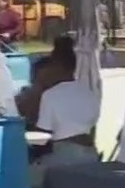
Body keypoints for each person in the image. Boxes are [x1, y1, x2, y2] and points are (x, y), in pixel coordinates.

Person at [35, 37, 99, 167]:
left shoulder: (50, 95)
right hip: (91, 154)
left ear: (55, 67)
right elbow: (93, 126)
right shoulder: (89, 92)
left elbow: (41, 137)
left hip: (65, 155)